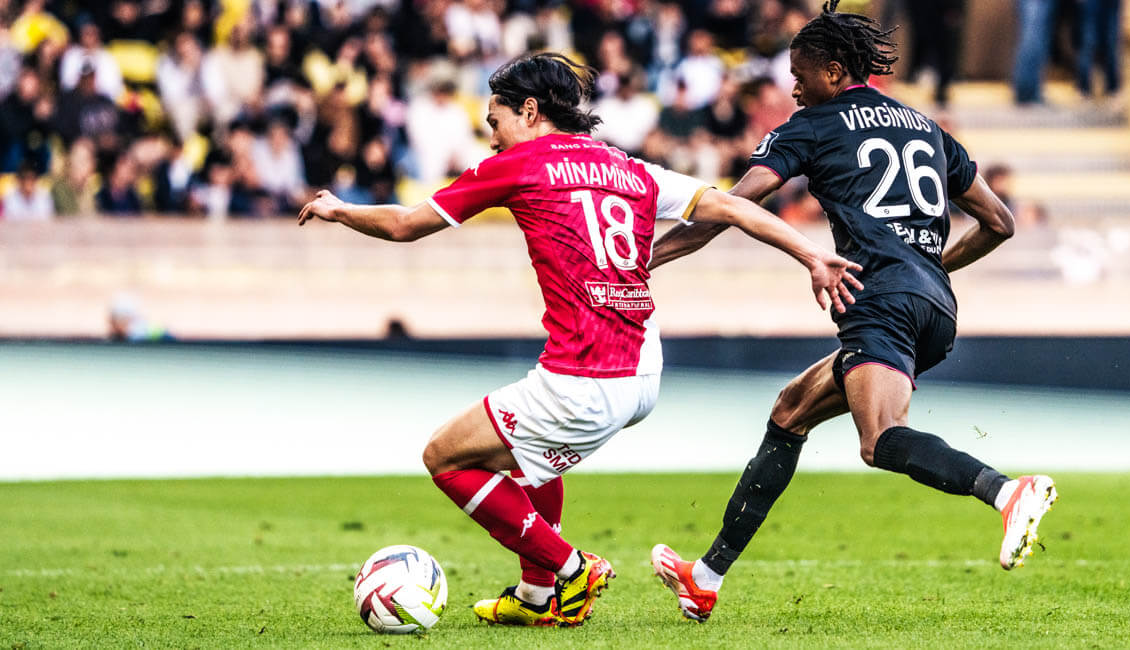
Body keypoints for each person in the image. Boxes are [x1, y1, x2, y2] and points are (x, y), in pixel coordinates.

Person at [299, 52, 862, 629]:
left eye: (495, 121)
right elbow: (733, 206)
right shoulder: (629, 168)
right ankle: (536, 597)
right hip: (642, 374)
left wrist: (341, 210)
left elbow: (404, 225)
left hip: (584, 378)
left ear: (529, 110)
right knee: (528, 460)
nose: (492, 137)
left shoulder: (517, 164)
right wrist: (812, 253)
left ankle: (572, 570)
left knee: (445, 457)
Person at [646, 1, 1058, 623]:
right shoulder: (926, 127)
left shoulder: (812, 126)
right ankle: (704, 578)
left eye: (800, 75)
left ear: (834, 72)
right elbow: (999, 221)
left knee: (879, 439)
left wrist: (642, 260)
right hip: (935, 305)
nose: (794, 87)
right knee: (790, 411)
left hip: (881, 302)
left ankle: (1006, 491)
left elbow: (729, 209)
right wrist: (932, 268)